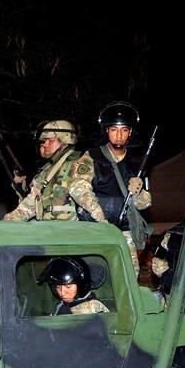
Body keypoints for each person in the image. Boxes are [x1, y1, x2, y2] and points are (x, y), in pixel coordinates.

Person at [74, 102, 152, 275]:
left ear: (130, 132)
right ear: (106, 131)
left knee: (129, 278)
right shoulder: (91, 156)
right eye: (114, 130)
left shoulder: (136, 163)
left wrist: (138, 193)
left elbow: (145, 204)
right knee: (93, 275)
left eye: (124, 130)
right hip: (95, 230)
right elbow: (78, 189)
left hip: (124, 234)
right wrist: (100, 219)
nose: (119, 136)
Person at [2, 120, 105, 224]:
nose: (45, 145)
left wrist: (102, 221)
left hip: (70, 231)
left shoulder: (78, 162)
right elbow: (29, 205)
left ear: (65, 140)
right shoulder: (46, 170)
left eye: (50, 140)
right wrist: (6, 223)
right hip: (48, 229)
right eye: (43, 141)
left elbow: (82, 193)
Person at [37, 257, 108, 315]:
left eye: (68, 287)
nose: (62, 293)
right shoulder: (61, 305)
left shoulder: (93, 308)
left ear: (81, 285)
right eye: (58, 287)